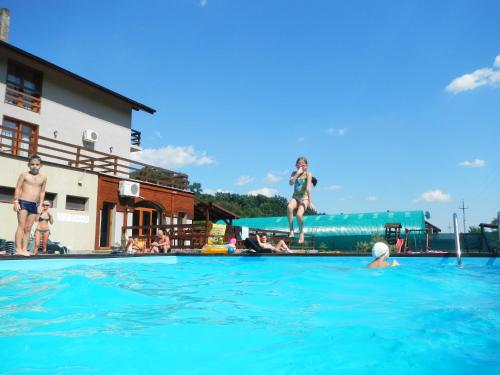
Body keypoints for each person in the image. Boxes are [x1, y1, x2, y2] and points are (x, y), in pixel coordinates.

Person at [13, 155, 47, 256]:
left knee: (28, 228)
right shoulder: (24, 175)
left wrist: (40, 205)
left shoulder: (43, 178)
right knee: (21, 226)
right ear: (28, 165)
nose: (34, 166)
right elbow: (18, 188)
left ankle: (24, 249)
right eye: (32, 164)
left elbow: (42, 192)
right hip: (23, 201)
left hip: (34, 204)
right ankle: (18, 249)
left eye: (37, 164)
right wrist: (16, 201)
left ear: (41, 165)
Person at [287, 156, 315, 243]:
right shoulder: (293, 173)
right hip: (295, 197)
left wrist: (310, 202)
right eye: (298, 165)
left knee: (299, 215)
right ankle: (291, 230)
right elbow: (290, 183)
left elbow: (308, 188)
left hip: (304, 198)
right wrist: (297, 173)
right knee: (289, 207)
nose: (300, 166)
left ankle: (301, 233)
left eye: (302, 165)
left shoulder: (308, 174)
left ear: (306, 165)